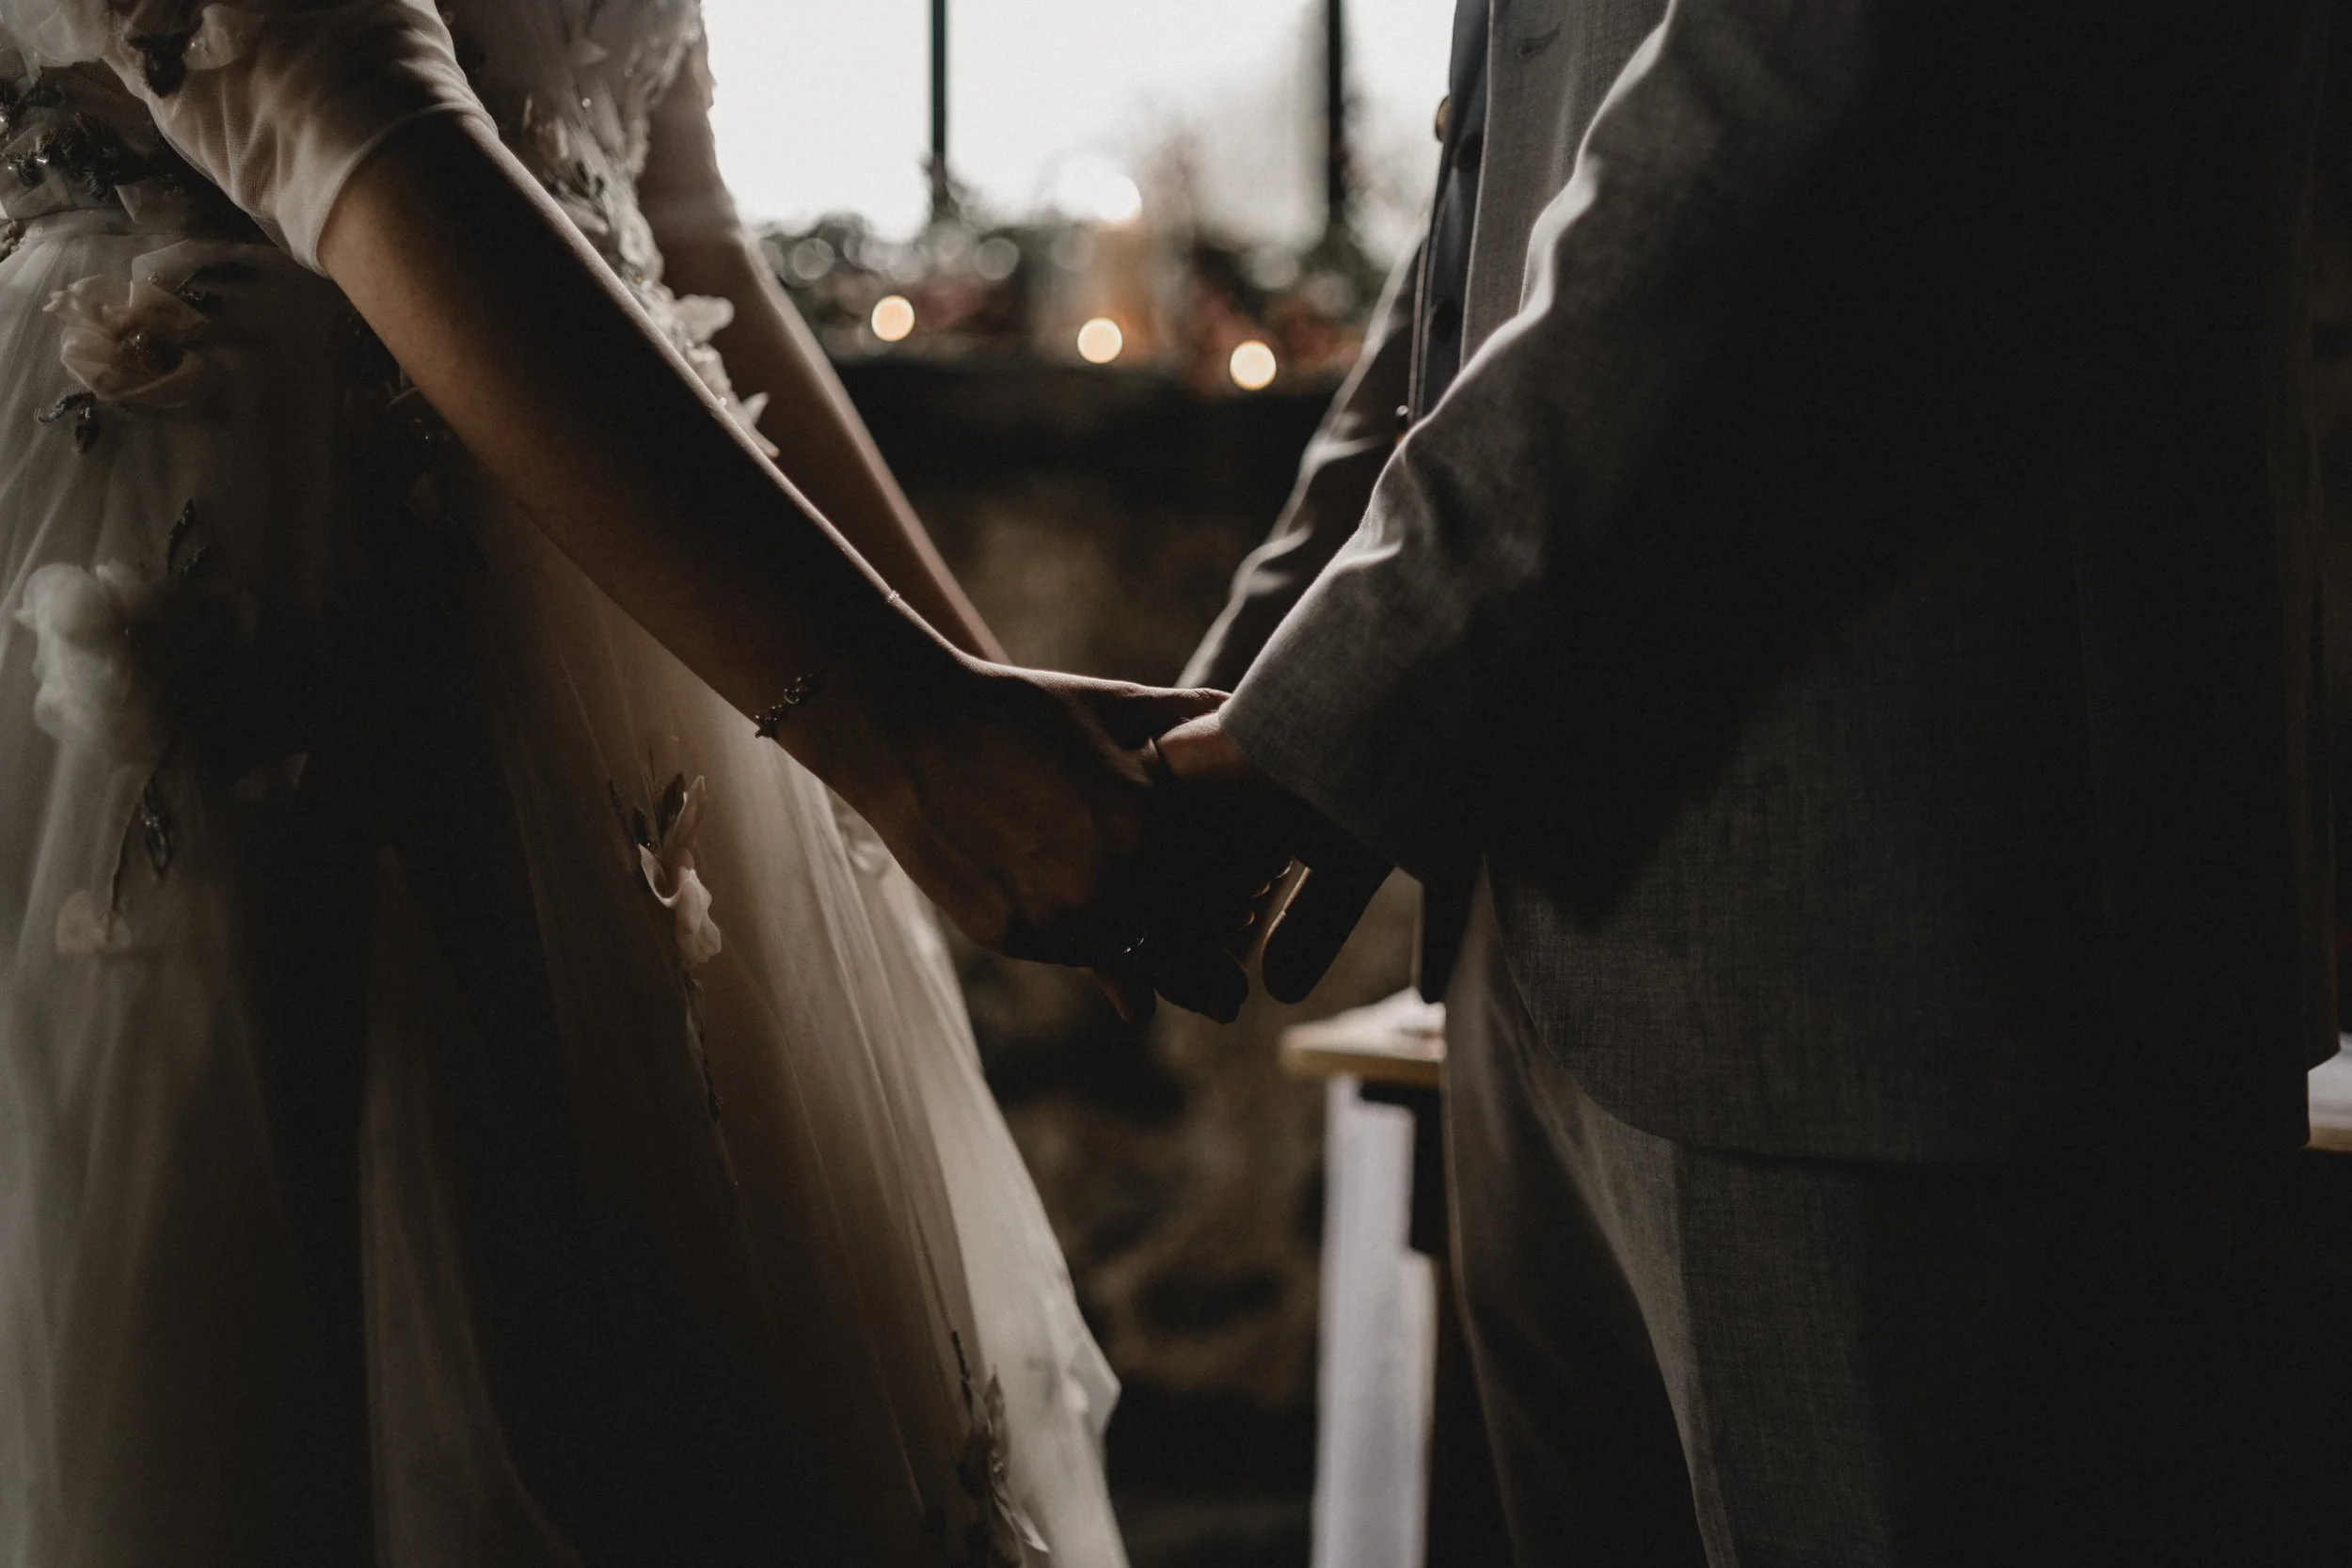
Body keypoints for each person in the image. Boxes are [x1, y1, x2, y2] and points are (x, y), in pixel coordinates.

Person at [0, 2, 1265, 1561]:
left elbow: (682, 233)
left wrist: (986, 704)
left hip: (660, 620)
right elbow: (322, 97)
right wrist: (909, 732)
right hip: (259, 589)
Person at [1165, 0, 2338, 1562]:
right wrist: (1255, 684)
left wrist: (1340, 694)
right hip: (1547, 925)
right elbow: (1506, 164)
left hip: (1922, 912)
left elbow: (1777, 100)